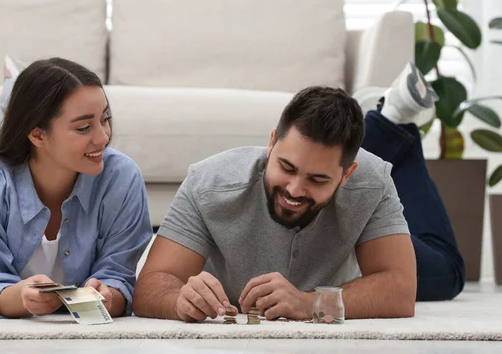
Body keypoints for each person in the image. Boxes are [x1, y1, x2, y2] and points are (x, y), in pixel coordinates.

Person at [132, 62, 465, 322]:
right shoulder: (208, 183)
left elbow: (401, 291)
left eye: (317, 180)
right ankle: (391, 118)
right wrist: (179, 300)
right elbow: (150, 286)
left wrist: (309, 303)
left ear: (347, 174)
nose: (294, 189)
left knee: (449, 272)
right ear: (272, 141)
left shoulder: (372, 180)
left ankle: (393, 121)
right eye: (286, 168)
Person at [0, 58, 153, 319]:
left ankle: (3, 113)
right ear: (38, 135)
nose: (103, 138)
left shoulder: (121, 177)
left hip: (29, 145)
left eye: (105, 119)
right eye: (84, 127)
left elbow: (119, 279)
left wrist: (110, 296)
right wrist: (21, 298)